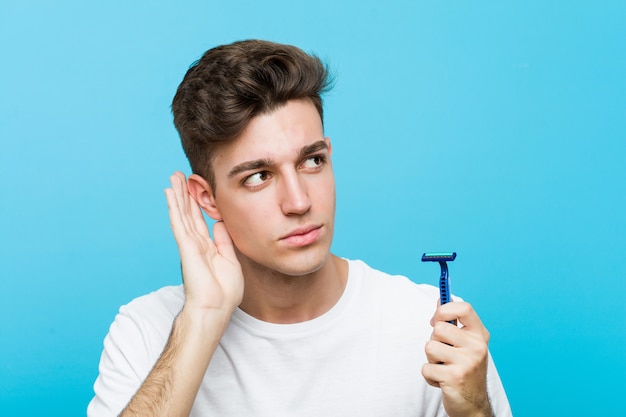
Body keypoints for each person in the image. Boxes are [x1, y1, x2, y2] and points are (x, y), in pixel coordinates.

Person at [88, 39, 512, 417]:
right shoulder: (147, 331)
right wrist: (202, 319)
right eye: (258, 176)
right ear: (207, 198)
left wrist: (474, 411)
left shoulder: (432, 326)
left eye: (311, 161)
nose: (299, 202)